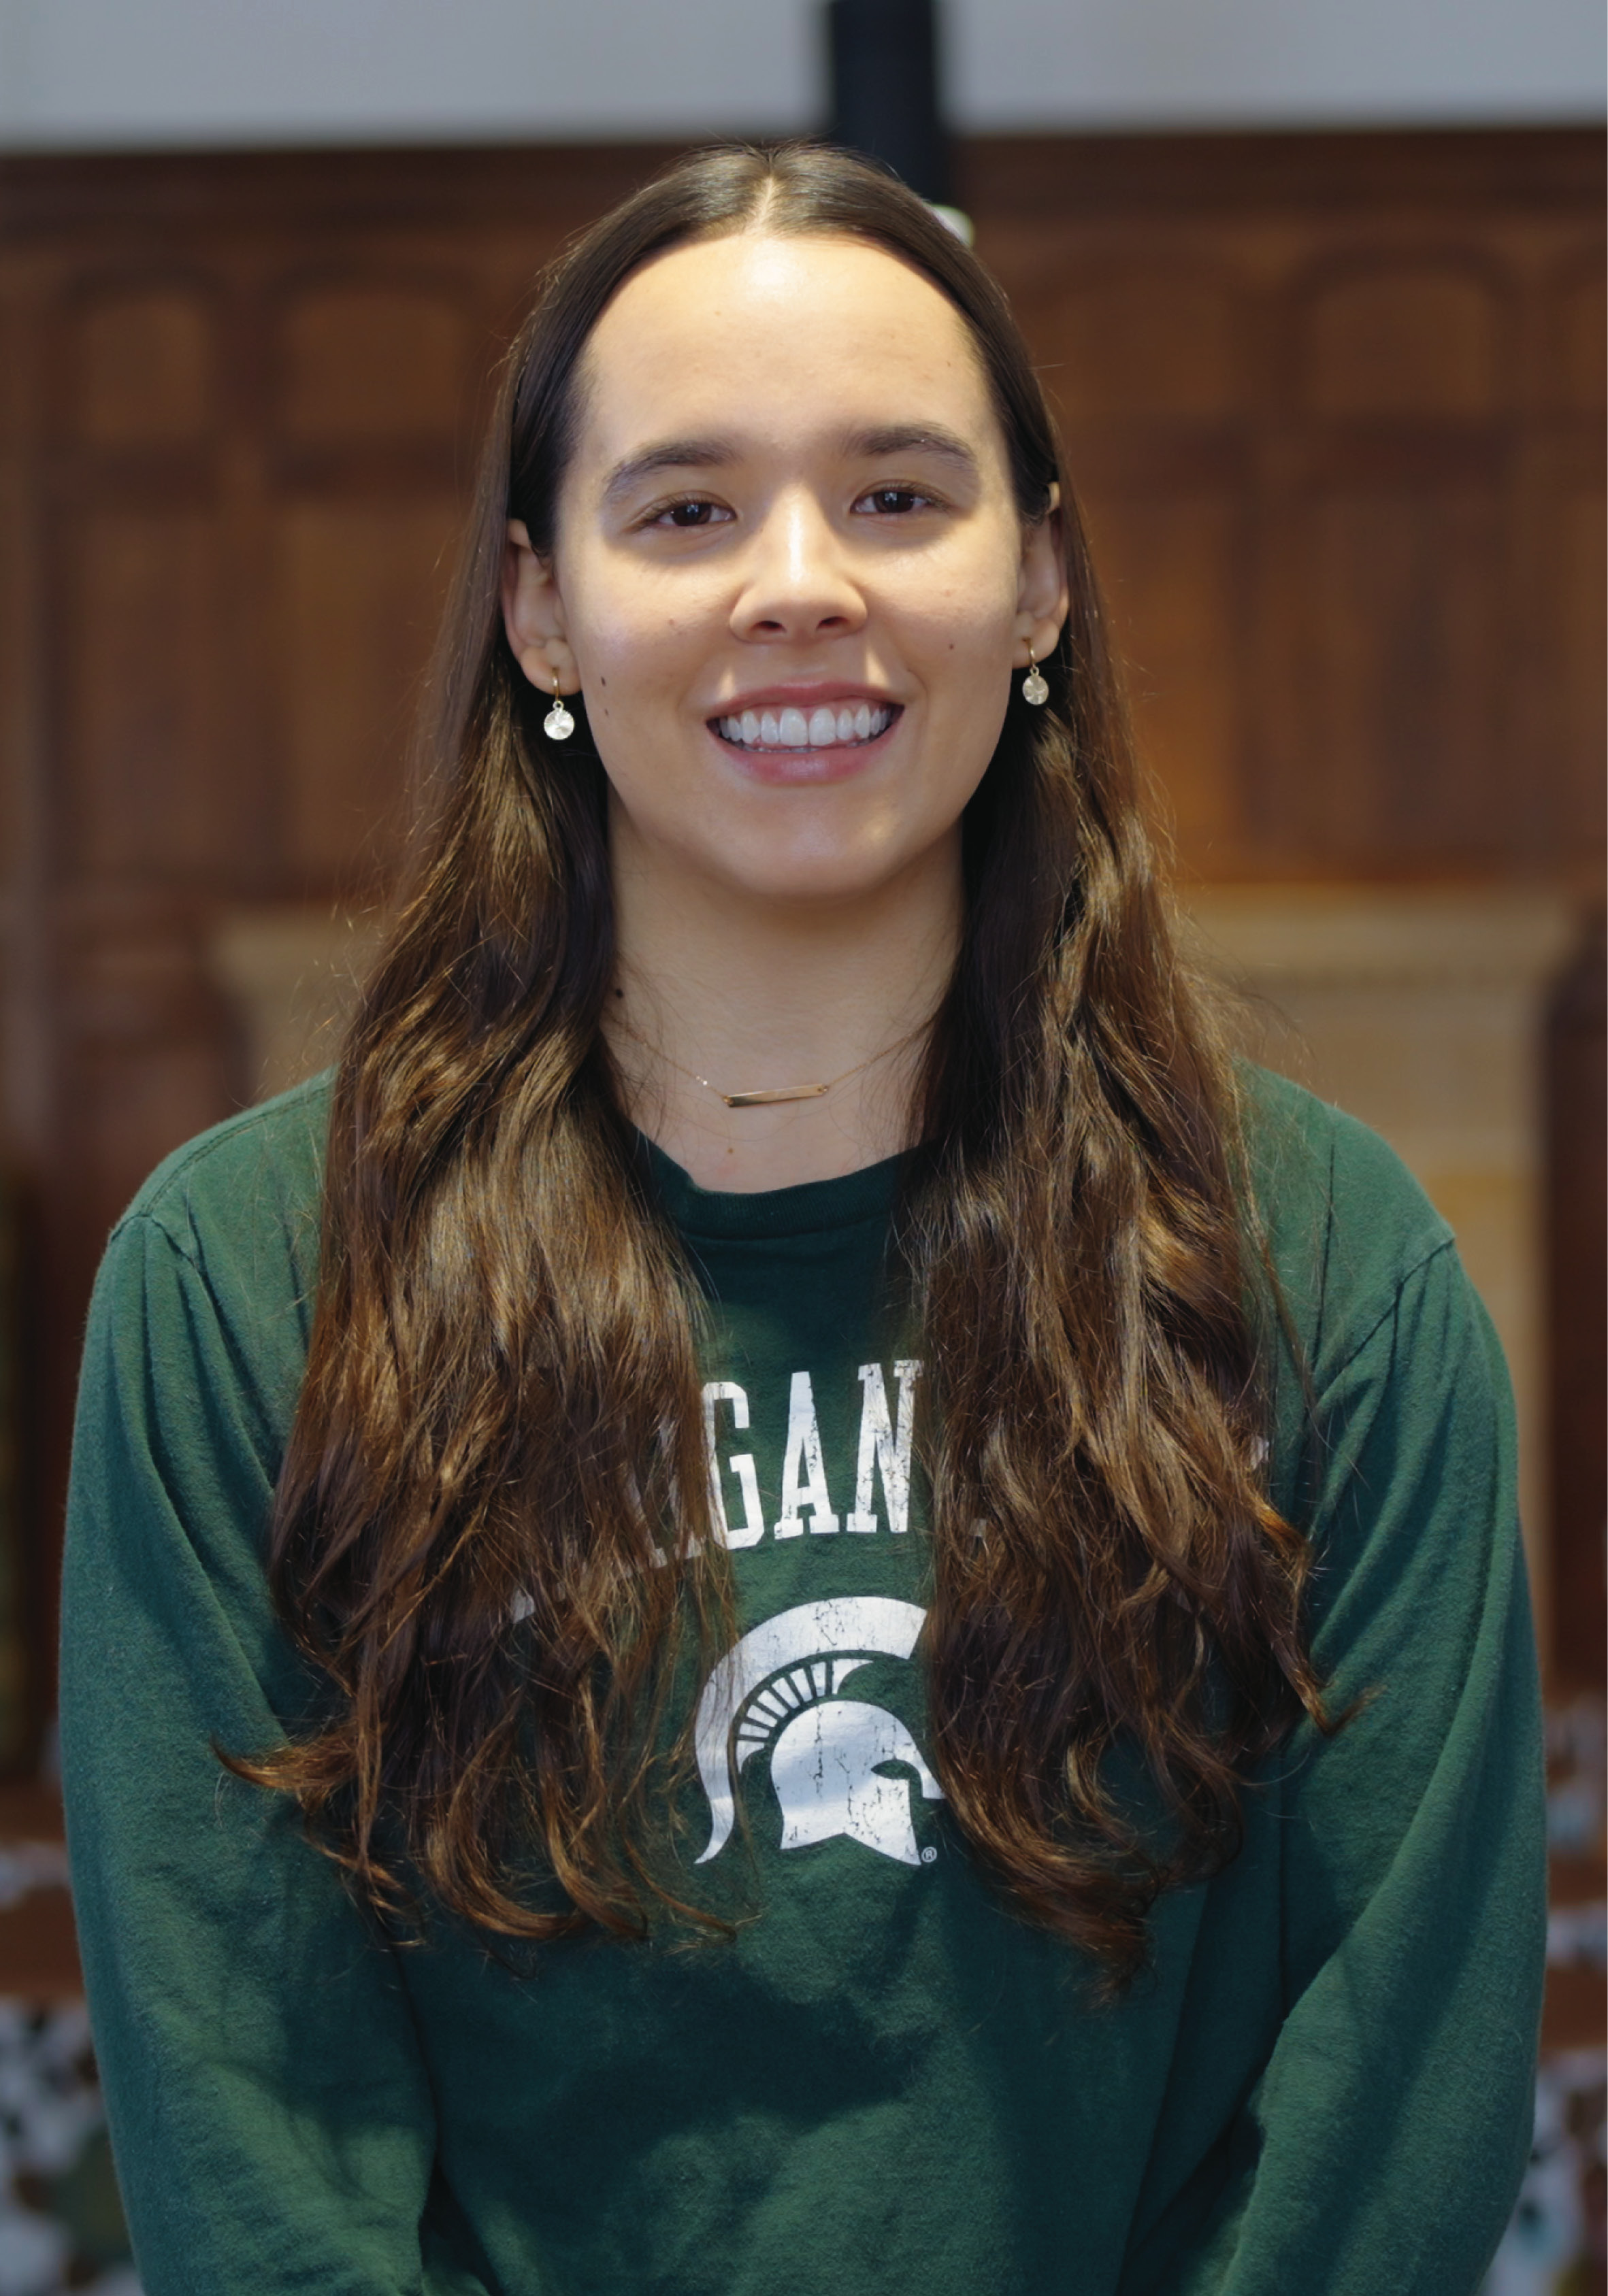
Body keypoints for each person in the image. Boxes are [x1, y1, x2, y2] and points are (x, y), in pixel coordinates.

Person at [60, 144, 1545, 2295]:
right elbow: (256, 2134)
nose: (795, 584)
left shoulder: (1316, 1263)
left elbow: (1384, 2102)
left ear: (1037, 584)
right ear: (537, 605)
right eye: (682, 508)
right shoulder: (248, 1282)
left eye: (895, 496)